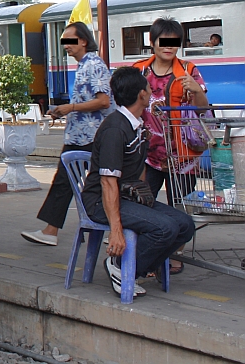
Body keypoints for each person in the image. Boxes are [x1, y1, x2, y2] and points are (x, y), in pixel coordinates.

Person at [82, 67, 195, 297]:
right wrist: (115, 230)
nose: (151, 91)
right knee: (165, 228)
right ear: (141, 95)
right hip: (101, 202)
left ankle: (137, 264)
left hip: (127, 197)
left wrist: (145, 199)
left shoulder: (137, 123)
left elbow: (137, 169)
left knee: (185, 225)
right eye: (148, 88)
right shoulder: (116, 128)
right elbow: (107, 182)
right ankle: (120, 267)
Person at [22, 21, 112, 246]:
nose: (66, 46)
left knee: (71, 181)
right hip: (82, 135)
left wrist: (69, 108)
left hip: (90, 136)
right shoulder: (83, 65)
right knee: (80, 182)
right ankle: (56, 230)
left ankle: (52, 231)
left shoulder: (93, 64)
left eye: (70, 41)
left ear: (83, 40)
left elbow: (103, 101)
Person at [132, 17, 208, 275]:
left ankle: (174, 254)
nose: (169, 46)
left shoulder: (188, 69)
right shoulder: (139, 70)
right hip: (148, 156)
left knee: (179, 208)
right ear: (152, 42)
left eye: (174, 41)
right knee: (145, 205)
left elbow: (203, 109)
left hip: (182, 158)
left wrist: (196, 90)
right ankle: (149, 255)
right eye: (163, 41)